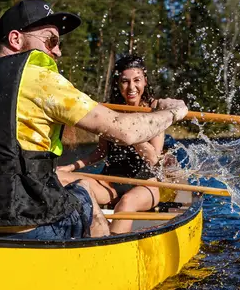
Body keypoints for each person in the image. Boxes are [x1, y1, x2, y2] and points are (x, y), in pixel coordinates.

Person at [0, 0, 188, 240]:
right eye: (51, 40)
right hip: (29, 223)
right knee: (83, 198)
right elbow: (125, 131)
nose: (58, 51)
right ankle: (108, 268)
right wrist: (172, 112)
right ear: (16, 39)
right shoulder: (42, 79)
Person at [58, 55, 170, 234]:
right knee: (58, 177)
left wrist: (129, 132)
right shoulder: (111, 113)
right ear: (118, 84)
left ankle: (111, 250)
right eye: (125, 81)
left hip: (144, 185)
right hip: (111, 183)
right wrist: (70, 167)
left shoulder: (155, 113)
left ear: (145, 82)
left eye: (137, 80)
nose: (131, 87)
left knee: (127, 203)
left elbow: (152, 158)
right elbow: (100, 152)